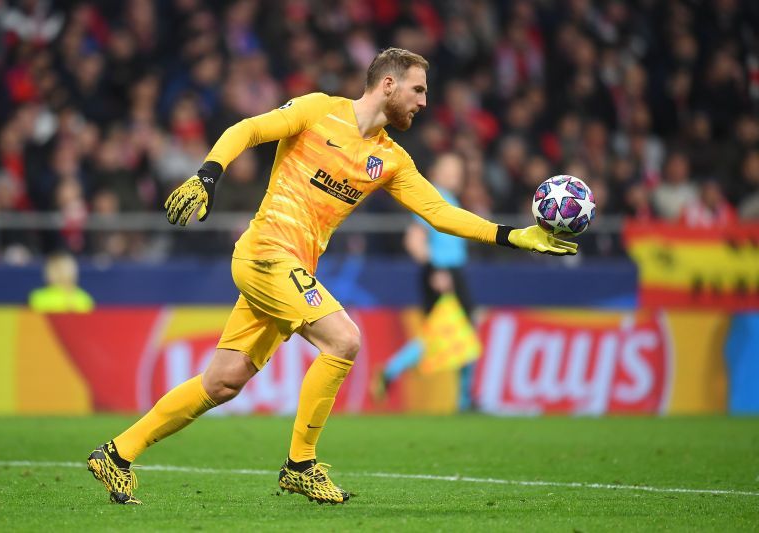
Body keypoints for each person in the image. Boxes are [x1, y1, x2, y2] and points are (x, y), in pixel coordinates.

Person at [87, 48, 577, 506]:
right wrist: (207, 174)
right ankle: (300, 462)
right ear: (389, 85)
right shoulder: (319, 110)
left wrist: (515, 236)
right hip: (265, 252)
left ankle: (116, 454)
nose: (425, 102)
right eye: (419, 91)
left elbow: (439, 213)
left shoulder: (391, 159)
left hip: (291, 268)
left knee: (223, 382)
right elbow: (247, 129)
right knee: (343, 340)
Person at [375, 152, 478, 411]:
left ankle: (463, 399)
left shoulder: (450, 199)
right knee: (455, 334)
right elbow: (414, 240)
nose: (455, 175)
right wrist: (435, 270)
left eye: (458, 170)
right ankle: (463, 400)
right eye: (449, 169)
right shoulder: (433, 199)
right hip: (442, 274)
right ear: (436, 172)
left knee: (456, 334)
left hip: (450, 273)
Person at [28, 252, 95, 313]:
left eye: (64, 269)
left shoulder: (83, 298)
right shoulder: (38, 297)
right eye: (56, 269)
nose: (60, 273)